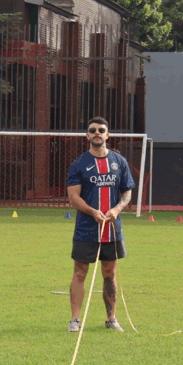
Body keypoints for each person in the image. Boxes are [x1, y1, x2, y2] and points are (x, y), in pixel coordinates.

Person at [66, 116, 135, 332]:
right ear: (87, 136)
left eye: (101, 130)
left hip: (112, 230)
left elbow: (127, 192)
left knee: (109, 274)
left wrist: (116, 209)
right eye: (92, 130)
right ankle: (75, 321)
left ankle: (111, 319)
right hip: (86, 228)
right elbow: (73, 197)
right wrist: (92, 211)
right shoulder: (79, 163)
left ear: (107, 135)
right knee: (79, 273)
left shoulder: (119, 162)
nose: (97, 133)